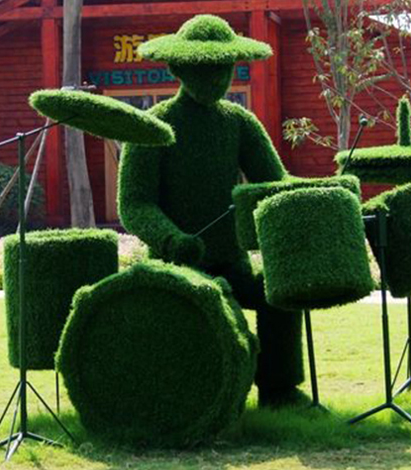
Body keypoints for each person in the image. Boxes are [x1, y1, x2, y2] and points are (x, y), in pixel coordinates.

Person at [118, 15, 306, 407]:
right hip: (175, 267)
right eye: (204, 68)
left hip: (232, 263)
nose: (216, 77)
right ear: (179, 68)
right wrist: (172, 240)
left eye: (223, 67)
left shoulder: (238, 123)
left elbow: (274, 183)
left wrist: (318, 191)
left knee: (279, 295)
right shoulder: (154, 126)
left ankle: (280, 389)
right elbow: (134, 203)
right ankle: (193, 398)